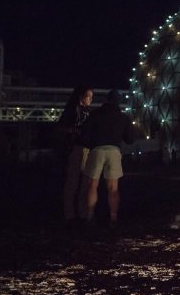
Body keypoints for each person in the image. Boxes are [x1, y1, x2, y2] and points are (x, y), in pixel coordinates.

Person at [80, 89, 136, 227]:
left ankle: (90, 216)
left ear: (107, 99)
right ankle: (113, 218)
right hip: (114, 151)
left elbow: (85, 135)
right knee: (113, 188)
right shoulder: (123, 117)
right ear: (119, 101)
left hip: (97, 149)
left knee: (92, 185)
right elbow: (129, 139)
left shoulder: (95, 114)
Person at [57, 85, 93, 223]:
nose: (90, 99)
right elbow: (61, 128)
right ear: (81, 96)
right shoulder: (72, 110)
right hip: (76, 148)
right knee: (73, 182)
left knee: (84, 182)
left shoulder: (86, 111)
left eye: (91, 97)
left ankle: (81, 214)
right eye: (88, 96)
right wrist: (75, 131)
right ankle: (70, 214)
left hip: (86, 148)